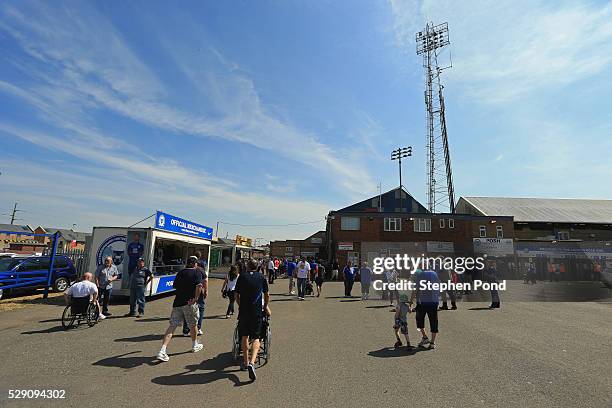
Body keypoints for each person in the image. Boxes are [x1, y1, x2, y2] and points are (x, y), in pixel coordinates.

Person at [156, 256, 204, 362]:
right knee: (193, 324)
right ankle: (194, 344)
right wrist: (195, 298)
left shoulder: (181, 272)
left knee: (172, 326)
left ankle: (162, 350)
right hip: (189, 303)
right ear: (195, 264)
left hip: (177, 302)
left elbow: (175, 286)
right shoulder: (197, 272)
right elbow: (199, 286)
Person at [235, 259, 270, 381]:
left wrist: (240, 305)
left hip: (244, 311)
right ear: (257, 267)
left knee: (244, 336)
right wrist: (265, 306)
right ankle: (252, 362)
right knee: (256, 338)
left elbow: (236, 295)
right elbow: (267, 294)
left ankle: (245, 362)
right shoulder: (261, 277)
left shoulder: (242, 277)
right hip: (256, 312)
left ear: (247, 267)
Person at [411, 268, 440, 349]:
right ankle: (432, 342)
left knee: (419, 320)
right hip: (433, 301)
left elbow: (416, 289)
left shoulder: (420, 275)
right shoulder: (435, 274)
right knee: (434, 320)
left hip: (422, 302)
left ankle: (424, 336)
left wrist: (411, 301)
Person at [183, 253, 208, 336]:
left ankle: (186, 330)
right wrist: (206, 291)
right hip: (198, 292)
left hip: (187, 293)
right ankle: (198, 328)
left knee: (187, 309)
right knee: (200, 309)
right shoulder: (200, 270)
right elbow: (205, 281)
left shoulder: (184, 270)